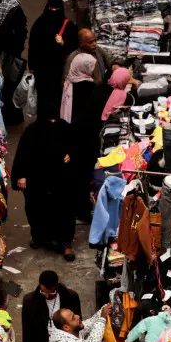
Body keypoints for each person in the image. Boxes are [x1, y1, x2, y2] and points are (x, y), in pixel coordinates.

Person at [13, 109, 76, 259]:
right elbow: (23, 153)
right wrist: (21, 176)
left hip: (60, 177)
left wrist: (70, 154)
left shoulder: (65, 127)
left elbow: (75, 146)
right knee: (36, 208)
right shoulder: (33, 130)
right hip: (37, 178)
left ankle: (65, 243)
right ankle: (38, 237)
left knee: (64, 209)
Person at [59, 51, 104, 223]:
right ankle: (83, 211)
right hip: (86, 137)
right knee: (85, 175)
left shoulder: (69, 83)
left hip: (71, 137)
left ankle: (75, 209)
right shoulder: (91, 89)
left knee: (75, 174)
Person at [27, 0, 78, 116]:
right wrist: (32, 68)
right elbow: (33, 46)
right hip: (42, 70)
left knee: (56, 97)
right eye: (51, 8)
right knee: (44, 98)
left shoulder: (69, 26)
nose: (53, 11)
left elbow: (74, 48)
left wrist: (63, 43)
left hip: (59, 70)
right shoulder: (39, 24)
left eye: (56, 8)